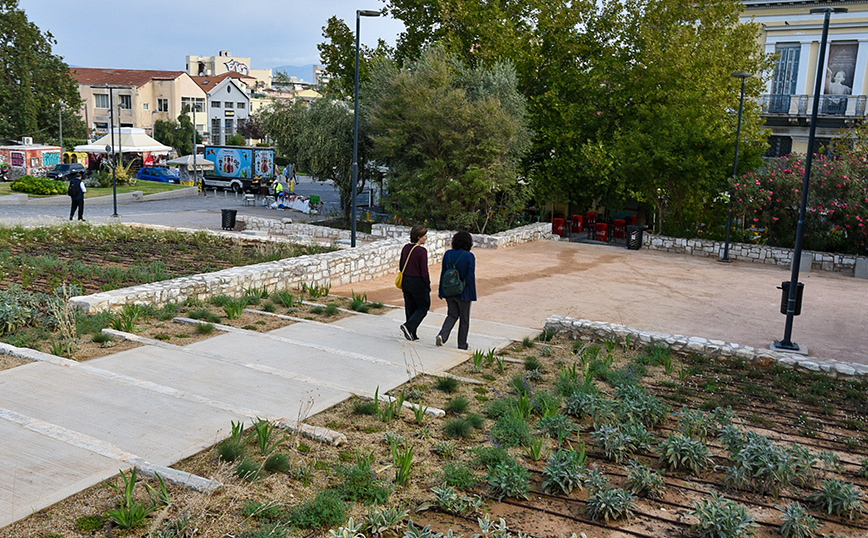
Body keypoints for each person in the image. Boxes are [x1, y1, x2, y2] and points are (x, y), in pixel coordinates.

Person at [436, 231, 476, 350]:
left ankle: (442, 335)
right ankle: (462, 344)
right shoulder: (469, 256)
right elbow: (470, 275)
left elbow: (443, 273)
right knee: (464, 320)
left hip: (449, 290)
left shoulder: (448, 254)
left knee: (452, 315)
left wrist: (441, 290)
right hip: (464, 292)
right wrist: (463, 285)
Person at [398, 225, 430, 341]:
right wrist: (427, 284)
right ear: (418, 237)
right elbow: (424, 270)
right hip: (418, 281)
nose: (426, 238)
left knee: (410, 306)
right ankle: (408, 326)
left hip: (406, 280)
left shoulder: (406, 247)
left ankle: (412, 333)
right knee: (423, 307)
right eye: (424, 236)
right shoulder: (422, 251)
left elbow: (401, 265)